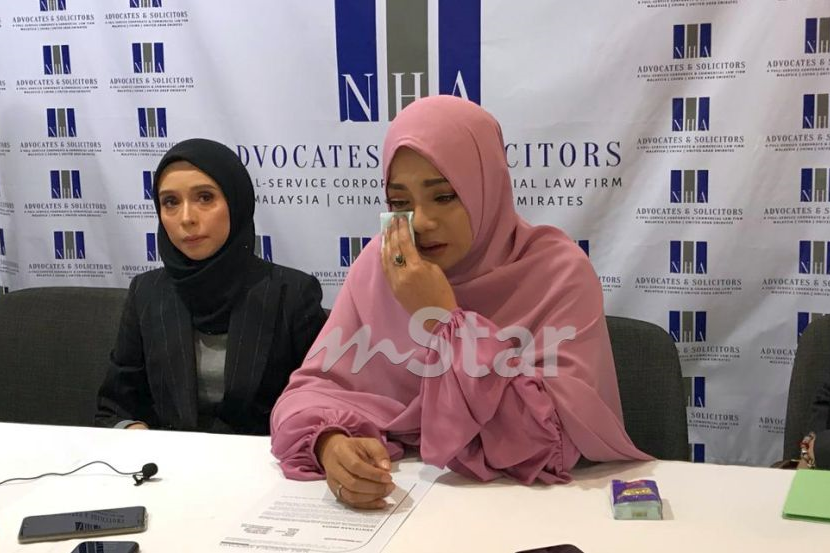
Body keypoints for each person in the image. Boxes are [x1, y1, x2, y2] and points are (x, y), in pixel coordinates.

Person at [270, 96, 650, 509]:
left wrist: (443, 320)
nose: (422, 222)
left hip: (531, 510)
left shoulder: (557, 274)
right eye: (400, 203)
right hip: (406, 503)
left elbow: (550, 442)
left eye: (445, 196)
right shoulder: (381, 266)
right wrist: (329, 442)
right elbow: (306, 394)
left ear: (487, 186)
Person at [96, 138, 327, 435]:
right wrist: (135, 433)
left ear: (236, 201)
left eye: (205, 198)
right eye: (170, 202)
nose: (187, 218)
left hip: (265, 459)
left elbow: (324, 402)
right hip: (171, 460)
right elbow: (115, 405)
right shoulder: (147, 293)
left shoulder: (292, 294)